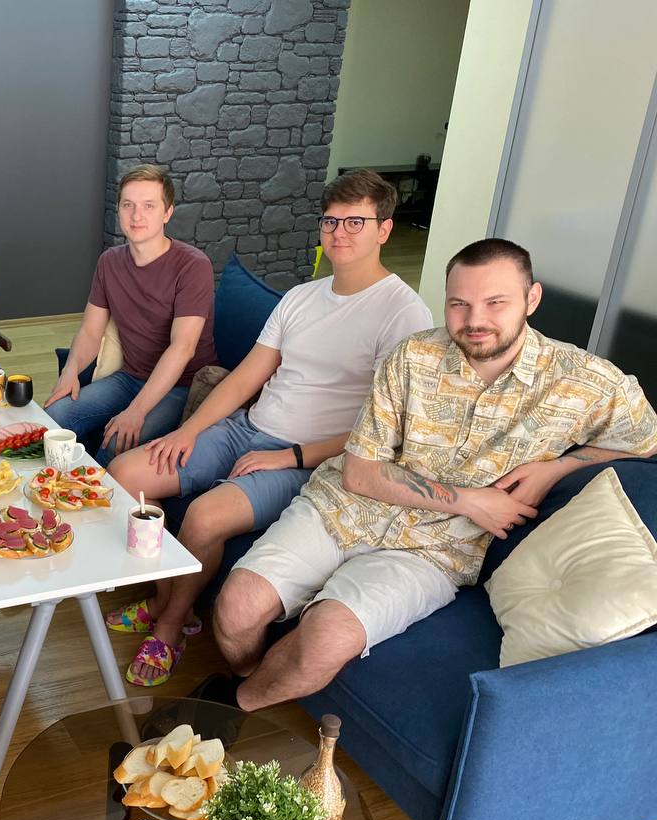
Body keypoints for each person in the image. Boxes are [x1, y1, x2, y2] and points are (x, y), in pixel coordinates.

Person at [213, 238, 657, 711]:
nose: (474, 320)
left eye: (495, 302)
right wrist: (470, 500)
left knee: (325, 639)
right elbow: (360, 474)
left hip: (436, 550)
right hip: (344, 508)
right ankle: (249, 672)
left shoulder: (585, 381)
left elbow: (647, 439)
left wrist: (560, 467)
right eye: (459, 303)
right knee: (236, 609)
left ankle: (232, 706)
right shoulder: (412, 357)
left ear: (532, 299)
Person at [105, 170, 434, 686]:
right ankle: (168, 599)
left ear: (384, 229)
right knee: (126, 475)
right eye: (331, 221)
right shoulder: (302, 297)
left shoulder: (404, 314)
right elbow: (244, 379)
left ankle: (169, 627)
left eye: (355, 222)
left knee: (205, 517)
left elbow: (382, 431)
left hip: (311, 459)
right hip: (246, 428)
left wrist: (288, 457)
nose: (339, 232)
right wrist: (188, 431)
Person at [44, 165, 217, 466]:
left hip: (181, 387)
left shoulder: (193, 266)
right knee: (54, 417)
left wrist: (136, 411)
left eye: (149, 206)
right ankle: (47, 487)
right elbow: (90, 332)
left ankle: (84, 491)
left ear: (167, 213)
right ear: (119, 210)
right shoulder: (109, 262)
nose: (137, 216)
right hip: (130, 377)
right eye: (128, 205)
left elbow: (183, 348)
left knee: (116, 442)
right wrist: (70, 372)